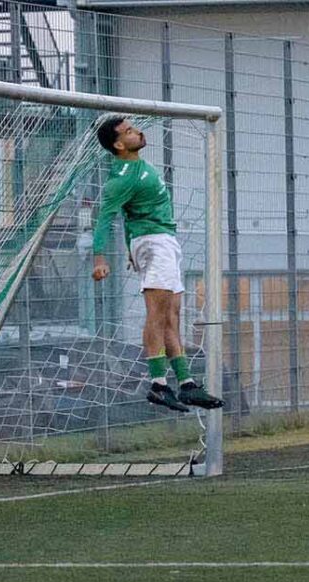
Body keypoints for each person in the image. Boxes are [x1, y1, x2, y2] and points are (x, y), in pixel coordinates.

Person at [93, 116, 224, 412]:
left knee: (171, 315)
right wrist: (100, 258)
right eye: (128, 131)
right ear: (118, 145)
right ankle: (158, 384)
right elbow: (104, 219)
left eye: (133, 128)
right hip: (154, 242)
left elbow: (129, 215)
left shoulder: (137, 168)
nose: (137, 132)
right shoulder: (122, 177)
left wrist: (131, 247)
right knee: (157, 313)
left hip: (161, 241)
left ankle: (186, 384)